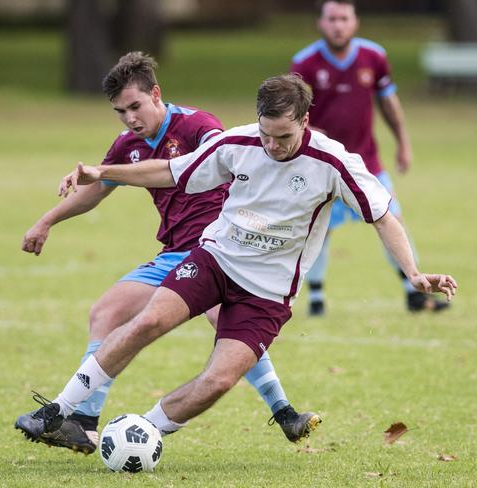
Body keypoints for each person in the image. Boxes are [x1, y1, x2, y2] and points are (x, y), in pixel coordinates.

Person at [14, 74, 457, 449]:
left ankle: (145, 431)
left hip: (267, 294)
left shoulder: (333, 162)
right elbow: (172, 172)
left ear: (305, 121)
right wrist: (103, 171)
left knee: (219, 381)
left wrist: (413, 273)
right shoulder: (238, 143)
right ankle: (59, 409)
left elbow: (382, 216)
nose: (272, 145)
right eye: (266, 133)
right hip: (213, 260)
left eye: (283, 137)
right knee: (147, 322)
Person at [19, 53, 319, 454]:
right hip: (174, 251)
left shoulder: (198, 126)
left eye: (135, 106)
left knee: (225, 320)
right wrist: (47, 220)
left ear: (155, 94)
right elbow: (97, 190)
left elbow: (228, 159)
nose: (129, 118)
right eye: (120, 111)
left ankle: (284, 411)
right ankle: (84, 423)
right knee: (105, 312)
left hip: (217, 249)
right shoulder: (129, 145)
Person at [291, 0, 449, 316]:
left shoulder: (373, 56)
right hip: (324, 166)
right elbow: (296, 116)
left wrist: (403, 142)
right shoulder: (305, 63)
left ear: (355, 22)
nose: (338, 25)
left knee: (392, 219)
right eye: (332, 19)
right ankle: (317, 299)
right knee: (320, 229)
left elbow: (389, 104)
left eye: (344, 18)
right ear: (321, 24)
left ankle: (413, 291)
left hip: (368, 165)